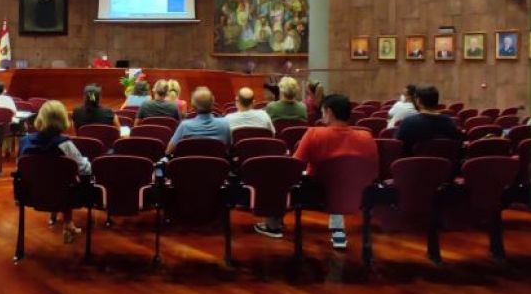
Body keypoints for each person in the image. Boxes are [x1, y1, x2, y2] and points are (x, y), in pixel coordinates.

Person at [256, 94, 377, 248]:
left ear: (330, 112)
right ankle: (338, 230)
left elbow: (295, 165)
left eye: (322, 111)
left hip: (317, 194)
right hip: (356, 193)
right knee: (339, 178)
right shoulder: (367, 137)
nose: (321, 114)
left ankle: (273, 225)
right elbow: (373, 170)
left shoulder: (315, 133)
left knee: (281, 174)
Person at [19, 100, 91, 243]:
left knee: (59, 177)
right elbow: (84, 169)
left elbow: (20, 167)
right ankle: (68, 224)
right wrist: (87, 160)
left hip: (32, 194)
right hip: (65, 194)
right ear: (63, 119)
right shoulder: (65, 144)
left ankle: (67, 223)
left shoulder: (24, 141)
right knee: (67, 180)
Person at [396, 85, 462, 155]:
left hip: (413, 165)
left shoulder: (408, 122)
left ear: (418, 101)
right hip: (442, 165)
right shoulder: (449, 121)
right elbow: (457, 144)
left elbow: (398, 147)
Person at [166, 87, 231, 154]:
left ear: (193, 105)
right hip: (217, 164)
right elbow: (228, 148)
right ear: (212, 103)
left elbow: (168, 151)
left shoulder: (184, 126)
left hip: (190, 164)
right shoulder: (225, 124)